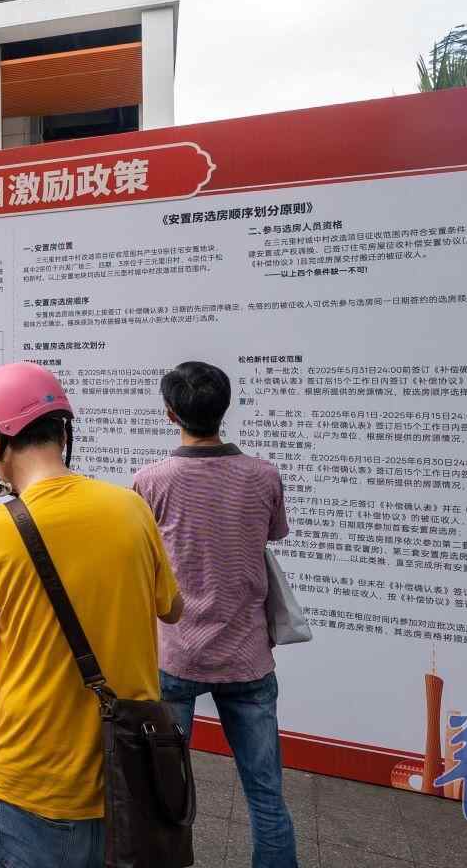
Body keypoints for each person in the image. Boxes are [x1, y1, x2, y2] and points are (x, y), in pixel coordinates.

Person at [0, 362, 184, 868]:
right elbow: (172, 609)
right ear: (63, 432)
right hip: (128, 775)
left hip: (34, 778)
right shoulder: (131, 509)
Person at [133, 362, 298, 868]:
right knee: (265, 793)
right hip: (247, 655)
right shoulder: (263, 475)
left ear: (170, 413)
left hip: (175, 653)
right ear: (225, 408)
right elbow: (272, 533)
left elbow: (141, 555)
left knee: (163, 792)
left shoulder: (150, 482)